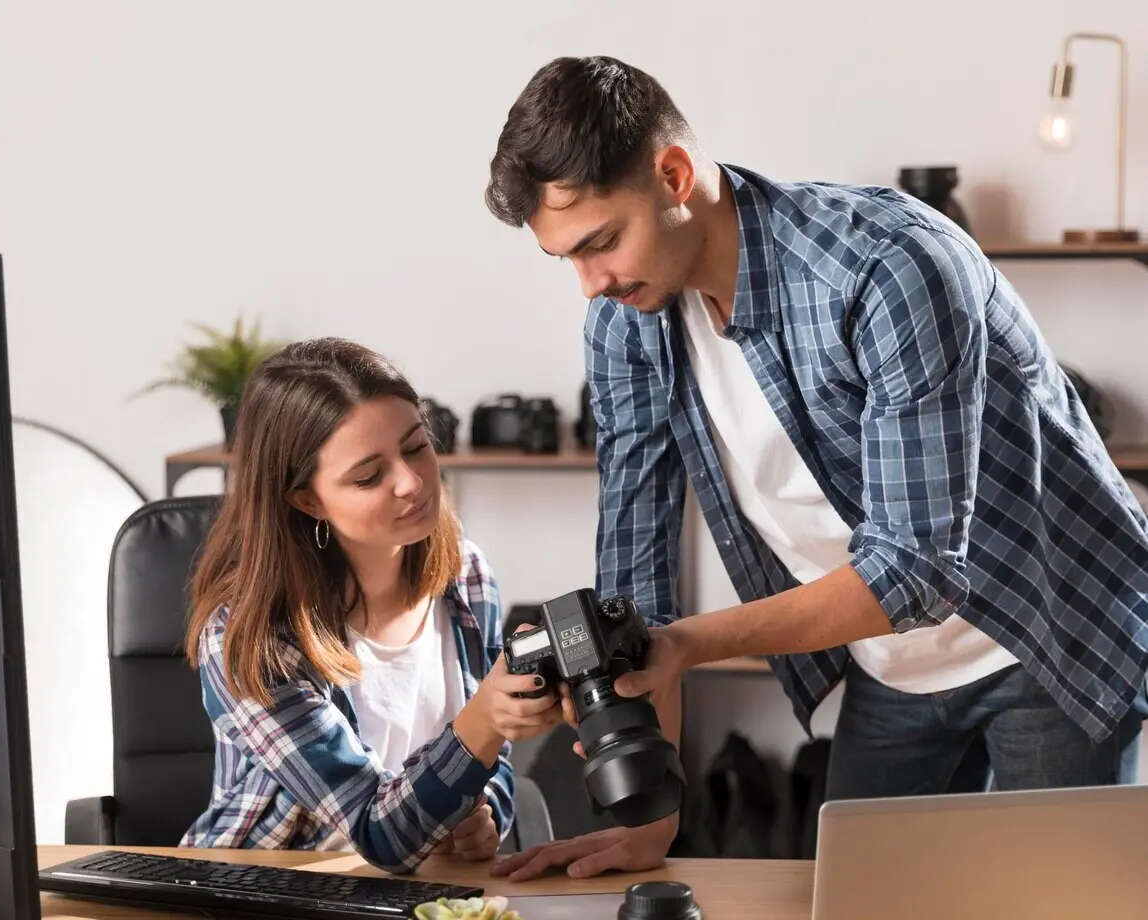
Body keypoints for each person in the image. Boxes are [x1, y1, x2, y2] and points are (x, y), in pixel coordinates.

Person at [481, 55, 1148, 880]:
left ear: (675, 175)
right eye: (567, 260)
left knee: (1053, 901)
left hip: (1046, 632)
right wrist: (657, 809)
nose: (592, 284)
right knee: (861, 899)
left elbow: (915, 570)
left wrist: (686, 643)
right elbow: (636, 586)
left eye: (602, 242)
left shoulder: (887, 264)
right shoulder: (627, 325)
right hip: (889, 660)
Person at [180, 337, 564, 874]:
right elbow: (376, 832)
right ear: (307, 499)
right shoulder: (249, 635)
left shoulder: (467, 577)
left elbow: (489, 761)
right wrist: (485, 718)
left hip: (423, 889)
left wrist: (485, 814)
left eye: (415, 447)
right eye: (368, 476)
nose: (411, 482)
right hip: (273, 888)